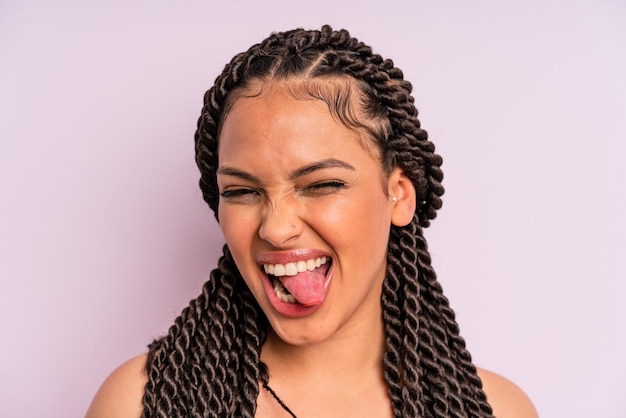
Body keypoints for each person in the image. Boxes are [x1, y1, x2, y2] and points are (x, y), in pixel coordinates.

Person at [86, 25, 537, 417]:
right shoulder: (140, 404)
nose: (276, 228)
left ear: (398, 194)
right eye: (242, 191)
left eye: (322, 184)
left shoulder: (496, 410)